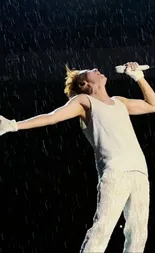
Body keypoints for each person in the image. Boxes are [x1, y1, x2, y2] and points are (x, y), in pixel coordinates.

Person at [0, 61, 155, 253]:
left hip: (140, 171)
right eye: (89, 71)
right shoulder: (84, 102)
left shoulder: (119, 102)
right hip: (116, 172)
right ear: (84, 85)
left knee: (139, 234)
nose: (96, 68)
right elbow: (52, 117)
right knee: (102, 229)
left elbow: (152, 105)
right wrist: (14, 125)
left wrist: (138, 77)